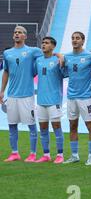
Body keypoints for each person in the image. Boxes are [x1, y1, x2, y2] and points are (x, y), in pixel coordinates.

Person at [1, 26, 45, 162]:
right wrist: (2, 91)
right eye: (15, 32)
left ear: (25, 36)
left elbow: (47, 56)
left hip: (27, 95)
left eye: (19, 32)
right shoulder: (7, 53)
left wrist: (59, 56)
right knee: (12, 125)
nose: (16, 34)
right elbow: (6, 72)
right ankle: (15, 153)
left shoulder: (33, 51)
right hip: (12, 95)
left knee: (31, 125)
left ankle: (32, 154)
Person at [62, 32, 91, 165]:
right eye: (72, 38)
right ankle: (74, 155)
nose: (74, 40)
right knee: (73, 126)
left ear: (83, 41)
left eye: (77, 38)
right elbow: (64, 73)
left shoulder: (90, 56)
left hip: (85, 97)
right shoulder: (66, 57)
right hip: (71, 96)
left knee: (90, 126)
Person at [34, 37, 65, 164]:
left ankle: (60, 154)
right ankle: (46, 154)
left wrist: (60, 56)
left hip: (54, 100)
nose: (43, 44)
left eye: (46, 43)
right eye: (43, 42)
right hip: (41, 100)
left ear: (53, 46)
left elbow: (65, 73)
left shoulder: (58, 60)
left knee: (57, 126)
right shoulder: (38, 61)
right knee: (43, 128)